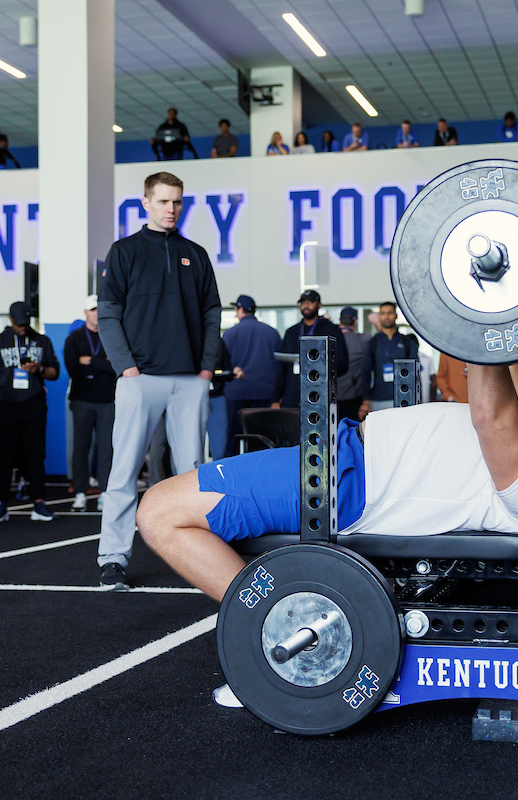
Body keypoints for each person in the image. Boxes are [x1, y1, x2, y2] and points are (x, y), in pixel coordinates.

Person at [137, 362, 518, 602]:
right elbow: (517, 403)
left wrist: (484, 318)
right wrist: (516, 321)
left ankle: (271, 625)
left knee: (159, 511)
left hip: (347, 479)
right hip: (350, 454)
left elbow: (491, 416)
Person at [96, 171, 221, 590]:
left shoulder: (196, 254)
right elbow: (108, 313)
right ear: (146, 203)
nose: (171, 209)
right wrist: (126, 368)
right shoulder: (124, 251)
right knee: (124, 471)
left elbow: (212, 314)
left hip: (190, 380)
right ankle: (113, 558)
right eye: (164, 201)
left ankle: (198, 559)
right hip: (140, 378)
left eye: (177, 202)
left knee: (193, 476)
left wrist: (205, 369)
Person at [0, 301, 59, 523]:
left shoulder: (42, 341)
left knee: (36, 455)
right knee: (4, 456)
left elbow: (54, 373)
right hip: (6, 406)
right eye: (18, 324)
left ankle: (39, 503)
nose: (22, 328)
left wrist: (39, 369)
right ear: (10, 320)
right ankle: (1, 505)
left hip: (34, 405)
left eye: (25, 324)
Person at [64, 295, 116, 511]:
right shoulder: (74, 338)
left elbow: (116, 367)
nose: (96, 313)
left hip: (107, 400)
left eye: (99, 309)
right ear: (86, 312)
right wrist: (103, 363)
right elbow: (73, 369)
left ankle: (104, 492)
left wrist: (91, 361)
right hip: (82, 400)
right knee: (81, 447)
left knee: (106, 448)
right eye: (93, 309)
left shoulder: (112, 335)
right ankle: (80, 492)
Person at [221, 295, 281, 459]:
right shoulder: (272, 333)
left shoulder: (230, 334)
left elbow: (223, 363)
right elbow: (280, 364)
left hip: (236, 394)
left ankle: (231, 473)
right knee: (261, 441)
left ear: (240, 309)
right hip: (265, 393)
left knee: (233, 440)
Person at [273, 290, 348, 409]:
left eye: (310, 302)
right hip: (293, 396)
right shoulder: (291, 332)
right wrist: (275, 399)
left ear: (319, 305)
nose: (306, 306)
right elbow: (282, 369)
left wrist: (315, 365)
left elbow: (342, 364)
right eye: (303, 303)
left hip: (321, 396)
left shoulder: (331, 330)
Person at [359, 302, 419, 417]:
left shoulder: (407, 342)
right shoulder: (372, 343)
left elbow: (415, 374)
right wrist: (366, 401)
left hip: (404, 400)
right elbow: (365, 372)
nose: (386, 316)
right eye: (383, 313)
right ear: (379, 316)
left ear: (396, 315)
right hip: (378, 399)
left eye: (390, 313)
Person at [336, 307, 368, 424]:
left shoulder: (330, 339)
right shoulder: (362, 340)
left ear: (340, 320)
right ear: (355, 321)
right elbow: (382, 338)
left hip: (331, 397)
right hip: (353, 398)